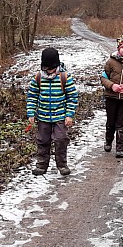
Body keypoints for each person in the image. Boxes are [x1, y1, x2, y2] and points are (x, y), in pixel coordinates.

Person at [26, 47, 79, 175]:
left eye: (51, 68)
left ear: (56, 65)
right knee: (43, 141)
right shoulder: (38, 77)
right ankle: (41, 165)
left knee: (61, 139)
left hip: (60, 116)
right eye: (46, 69)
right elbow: (32, 96)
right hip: (43, 117)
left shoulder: (64, 77)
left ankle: (62, 164)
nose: (49, 71)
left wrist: (69, 115)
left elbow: (72, 97)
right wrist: (31, 112)